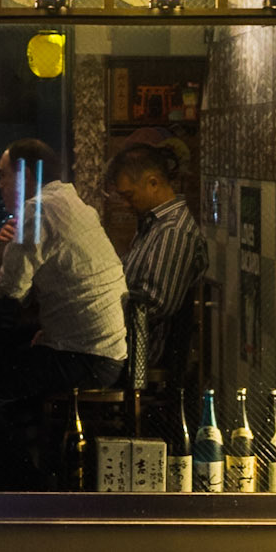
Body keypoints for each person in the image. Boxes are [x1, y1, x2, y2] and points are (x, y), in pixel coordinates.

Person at [0, 140, 127, 398]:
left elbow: (10, 290)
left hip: (85, 361)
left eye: (3, 176)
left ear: (25, 175)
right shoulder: (70, 202)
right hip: (105, 354)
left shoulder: (38, 208)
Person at [106, 139, 208, 390]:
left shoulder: (174, 232)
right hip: (129, 344)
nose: (127, 205)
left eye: (129, 196)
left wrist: (100, 313)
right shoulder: (153, 225)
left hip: (142, 354)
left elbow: (154, 304)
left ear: (153, 182)